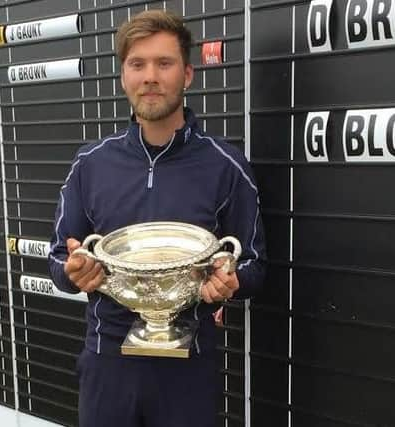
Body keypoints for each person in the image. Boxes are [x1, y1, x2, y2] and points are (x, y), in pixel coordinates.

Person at [48, 9, 267, 427]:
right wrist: (73, 272)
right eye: (138, 64)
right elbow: (59, 259)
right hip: (106, 362)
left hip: (188, 367)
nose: (150, 76)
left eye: (163, 63)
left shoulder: (226, 166)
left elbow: (254, 265)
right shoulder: (90, 164)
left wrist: (231, 280)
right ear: (123, 77)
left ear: (187, 75)